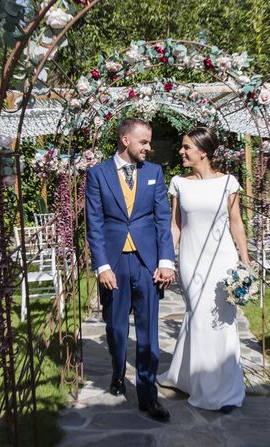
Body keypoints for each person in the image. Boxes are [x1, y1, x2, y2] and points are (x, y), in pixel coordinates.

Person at [85, 118, 176, 422]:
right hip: (114, 262)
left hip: (146, 262)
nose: (148, 148)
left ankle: (148, 396)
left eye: (149, 142)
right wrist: (101, 266)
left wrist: (166, 261)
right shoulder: (97, 174)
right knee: (116, 327)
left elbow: (163, 220)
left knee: (148, 329)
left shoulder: (154, 173)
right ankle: (117, 372)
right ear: (125, 140)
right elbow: (94, 224)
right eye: (144, 142)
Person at [157, 127, 249, 413]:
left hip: (223, 260)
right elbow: (175, 226)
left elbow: (236, 223)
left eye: (187, 147)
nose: (181, 152)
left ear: (203, 151)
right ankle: (196, 381)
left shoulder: (228, 183)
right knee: (198, 318)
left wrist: (245, 261)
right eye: (182, 147)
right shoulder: (178, 184)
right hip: (191, 259)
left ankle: (225, 391)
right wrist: (166, 260)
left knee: (223, 321)